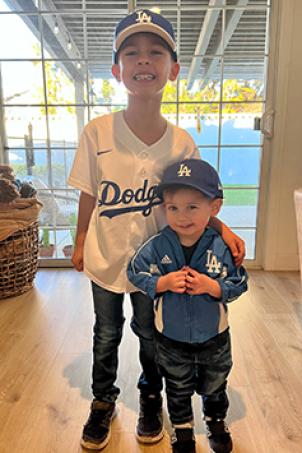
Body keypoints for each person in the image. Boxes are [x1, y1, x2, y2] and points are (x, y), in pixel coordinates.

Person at [68, 9, 245, 451]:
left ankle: (151, 397)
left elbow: (198, 197)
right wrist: (78, 242)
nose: (143, 61)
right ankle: (103, 401)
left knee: (152, 333)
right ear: (117, 69)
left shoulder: (181, 141)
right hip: (106, 255)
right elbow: (88, 193)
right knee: (106, 333)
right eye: (132, 53)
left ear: (173, 69)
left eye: (155, 53)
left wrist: (221, 229)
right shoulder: (97, 131)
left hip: (158, 262)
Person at [127, 158, 248, 453]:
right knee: (177, 388)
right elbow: (134, 271)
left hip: (214, 338)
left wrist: (214, 287)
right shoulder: (157, 245)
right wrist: (161, 284)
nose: (182, 216)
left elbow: (240, 281)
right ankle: (182, 431)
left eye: (192, 207)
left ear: (214, 208)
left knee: (215, 384)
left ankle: (216, 420)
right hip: (171, 339)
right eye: (173, 208)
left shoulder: (221, 246)